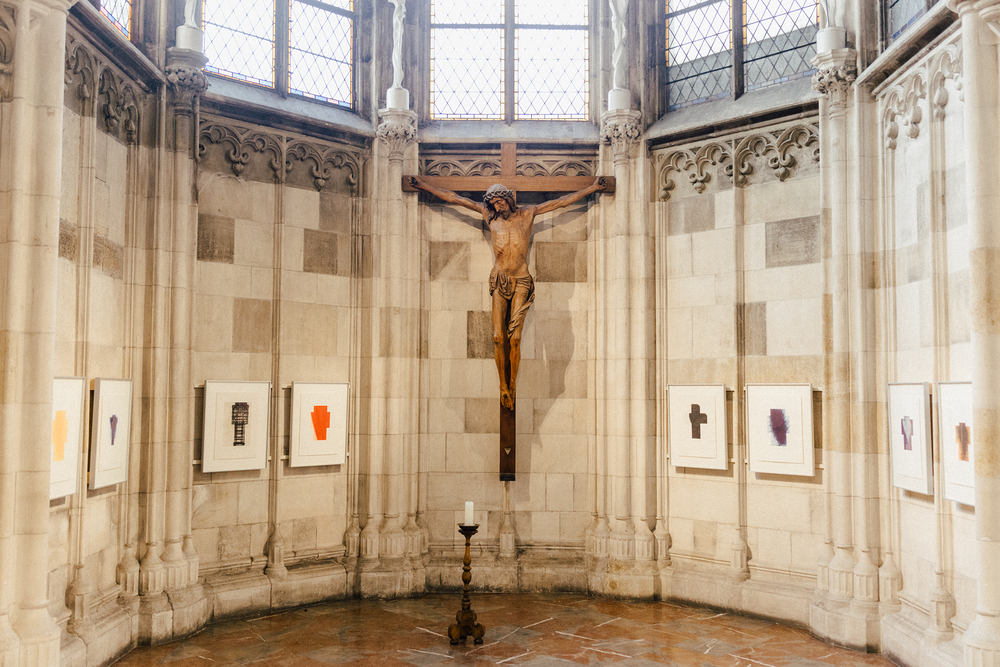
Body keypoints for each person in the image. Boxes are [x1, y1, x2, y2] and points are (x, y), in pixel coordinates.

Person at [408, 176, 607, 409]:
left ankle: (513, 384)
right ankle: (503, 385)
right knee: (497, 337)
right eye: (493, 204)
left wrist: (593, 188)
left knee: (516, 337)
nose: (497, 207)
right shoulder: (489, 216)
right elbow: (455, 199)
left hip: (521, 280)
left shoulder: (528, 214)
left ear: (509, 199)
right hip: (499, 279)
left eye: (500, 202)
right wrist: (423, 186)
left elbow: (560, 202)